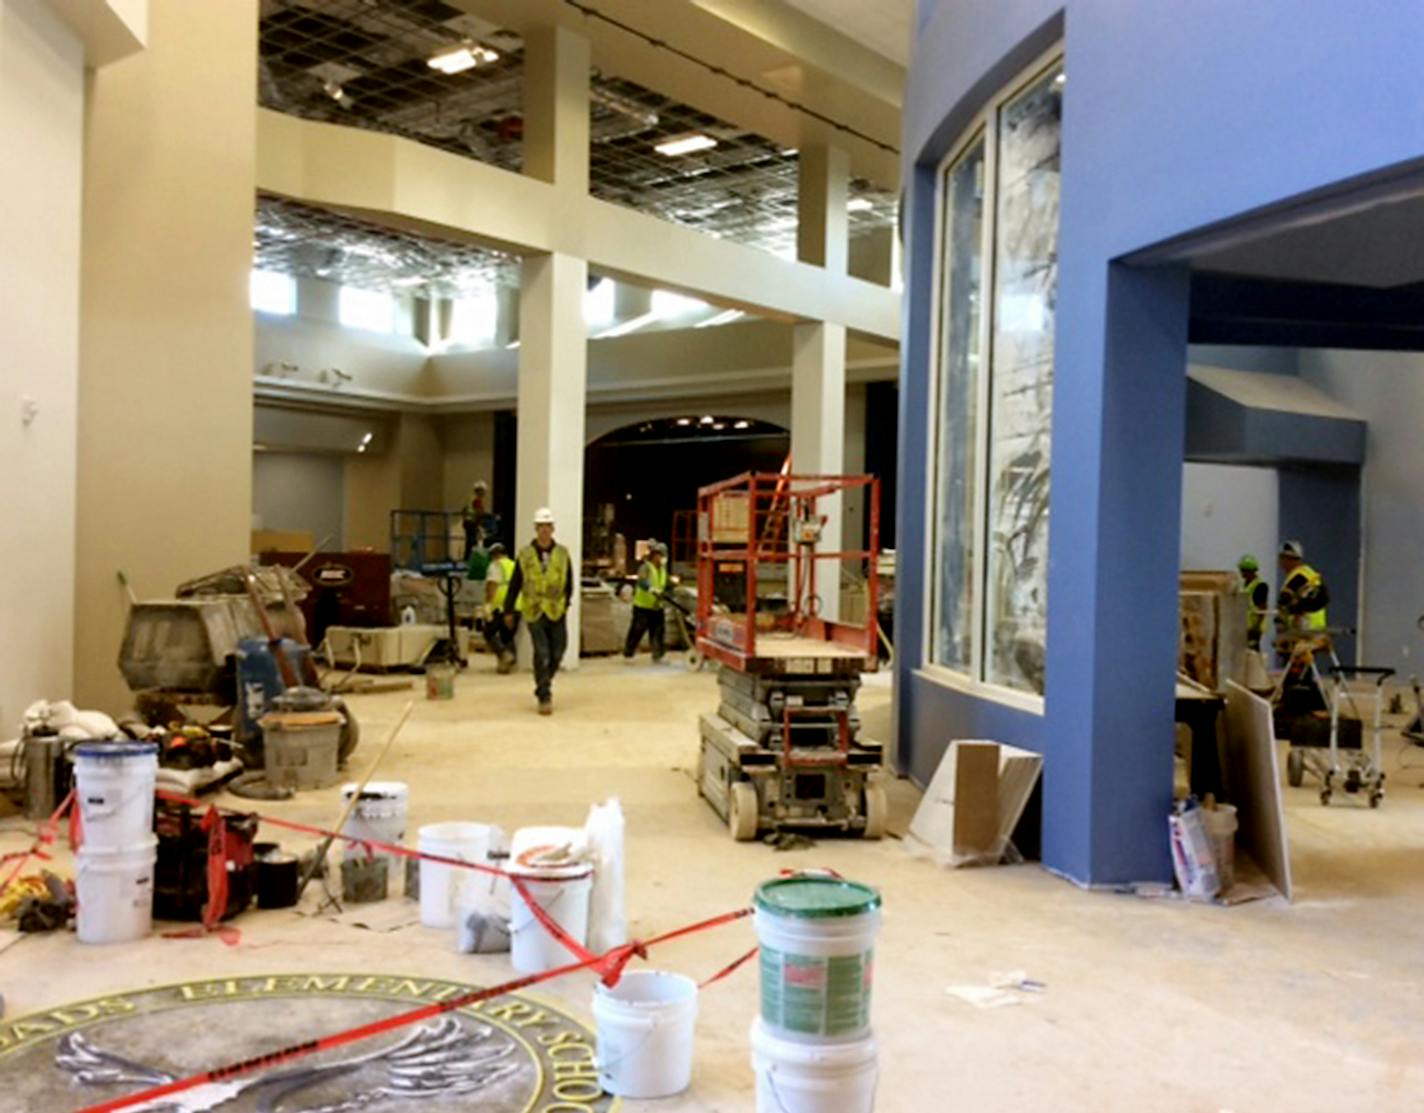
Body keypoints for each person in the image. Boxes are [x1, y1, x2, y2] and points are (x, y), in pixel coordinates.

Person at [504, 507, 573, 715]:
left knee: (558, 652)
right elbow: (516, 583)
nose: (544, 530)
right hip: (534, 610)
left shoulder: (562, 554)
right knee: (542, 652)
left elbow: (569, 581)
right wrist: (509, 609)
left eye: (547, 526)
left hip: (556, 610)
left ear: (552, 529)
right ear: (536, 529)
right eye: (541, 526)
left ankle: (543, 683)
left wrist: (566, 603)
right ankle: (545, 695)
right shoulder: (525, 555)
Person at [1275, 539, 1329, 658]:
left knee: (1296, 670)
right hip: (1316, 628)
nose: (1280, 563)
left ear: (1286, 559)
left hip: (1303, 629)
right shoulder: (1310, 573)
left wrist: (1280, 626)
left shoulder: (1297, 577)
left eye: (1282, 559)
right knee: (1305, 670)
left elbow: (1283, 601)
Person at [623, 542, 668, 664]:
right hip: (642, 606)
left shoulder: (662, 570)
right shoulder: (646, 567)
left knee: (658, 632)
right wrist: (652, 589)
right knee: (638, 629)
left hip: (657, 606)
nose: (663, 558)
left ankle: (658, 655)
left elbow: (664, 584)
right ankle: (629, 653)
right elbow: (642, 582)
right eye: (661, 555)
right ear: (654, 556)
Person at [484, 541, 518, 673]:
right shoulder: (514, 565)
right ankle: (507, 664)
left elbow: (492, 585)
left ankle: (505, 654)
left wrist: (488, 604)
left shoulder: (495, 566)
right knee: (508, 635)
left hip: (502, 605)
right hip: (518, 604)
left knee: (489, 632)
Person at [1237, 554, 1270, 653]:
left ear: (1251, 571)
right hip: (1243, 627)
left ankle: (1257, 668)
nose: (1242, 573)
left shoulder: (1260, 586)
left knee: (1253, 653)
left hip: (1253, 628)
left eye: (1244, 571)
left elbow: (1262, 608)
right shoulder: (1243, 585)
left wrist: (1256, 628)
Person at [461, 480, 499, 560]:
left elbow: (464, 510)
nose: (484, 494)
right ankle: (469, 559)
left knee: (470, 542)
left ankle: (467, 559)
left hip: (468, 522)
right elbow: (479, 512)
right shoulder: (477, 500)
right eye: (483, 491)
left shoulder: (470, 498)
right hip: (472, 523)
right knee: (472, 542)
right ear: (479, 490)